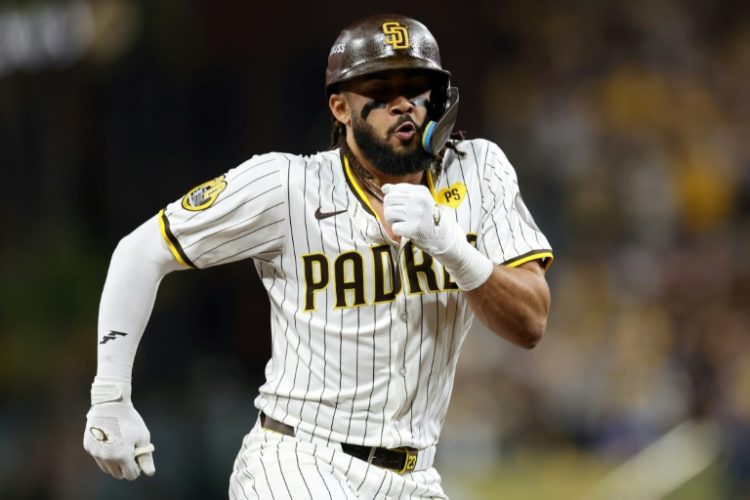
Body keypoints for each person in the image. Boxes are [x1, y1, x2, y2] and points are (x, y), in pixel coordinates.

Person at [83, 14, 553, 499]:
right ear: (340, 107)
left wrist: (452, 246)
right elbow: (141, 249)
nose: (402, 103)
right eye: (379, 87)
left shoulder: (478, 170)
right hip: (300, 459)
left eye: (417, 85)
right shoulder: (289, 186)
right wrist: (110, 396)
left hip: (416, 476)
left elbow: (531, 321)